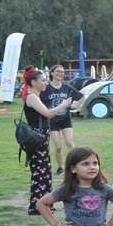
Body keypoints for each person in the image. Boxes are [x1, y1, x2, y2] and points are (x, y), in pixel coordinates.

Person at [21, 67, 73, 215]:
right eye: (43, 80)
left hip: (40, 138)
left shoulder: (34, 96)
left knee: (44, 171)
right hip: (37, 140)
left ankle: (44, 204)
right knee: (40, 172)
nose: (45, 83)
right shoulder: (31, 97)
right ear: (34, 82)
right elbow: (48, 114)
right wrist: (63, 105)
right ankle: (37, 206)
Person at [41, 64, 85, 175]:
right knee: (58, 146)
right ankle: (60, 167)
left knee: (70, 143)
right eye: (57, 71)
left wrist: (74, 106)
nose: (60, 73)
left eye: (62, 71)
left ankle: (75, 165)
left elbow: (81, 97)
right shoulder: (46, 88)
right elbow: (39, 101)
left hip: (65, 119)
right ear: (51, 73)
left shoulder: (67, 88)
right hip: (52, 120)